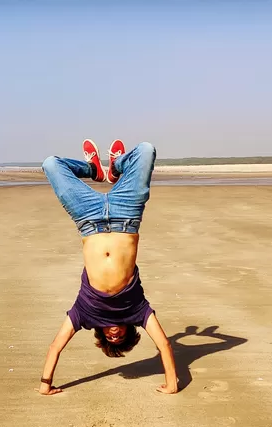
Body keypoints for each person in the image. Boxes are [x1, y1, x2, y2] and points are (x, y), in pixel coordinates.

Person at [37, 139, 178, 395]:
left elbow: (56, 346)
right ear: (128, 331)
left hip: (88, 219)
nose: (114, 334)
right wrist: (172, 384)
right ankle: (115, 168)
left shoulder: (85, 314)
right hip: (127, 213)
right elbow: (165, 345)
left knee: (51, 164)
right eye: (120, 337)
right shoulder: (138, 311)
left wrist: (45, 385)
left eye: (110, 338)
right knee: (146, 150)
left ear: (102, 334)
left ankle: (92, 170)